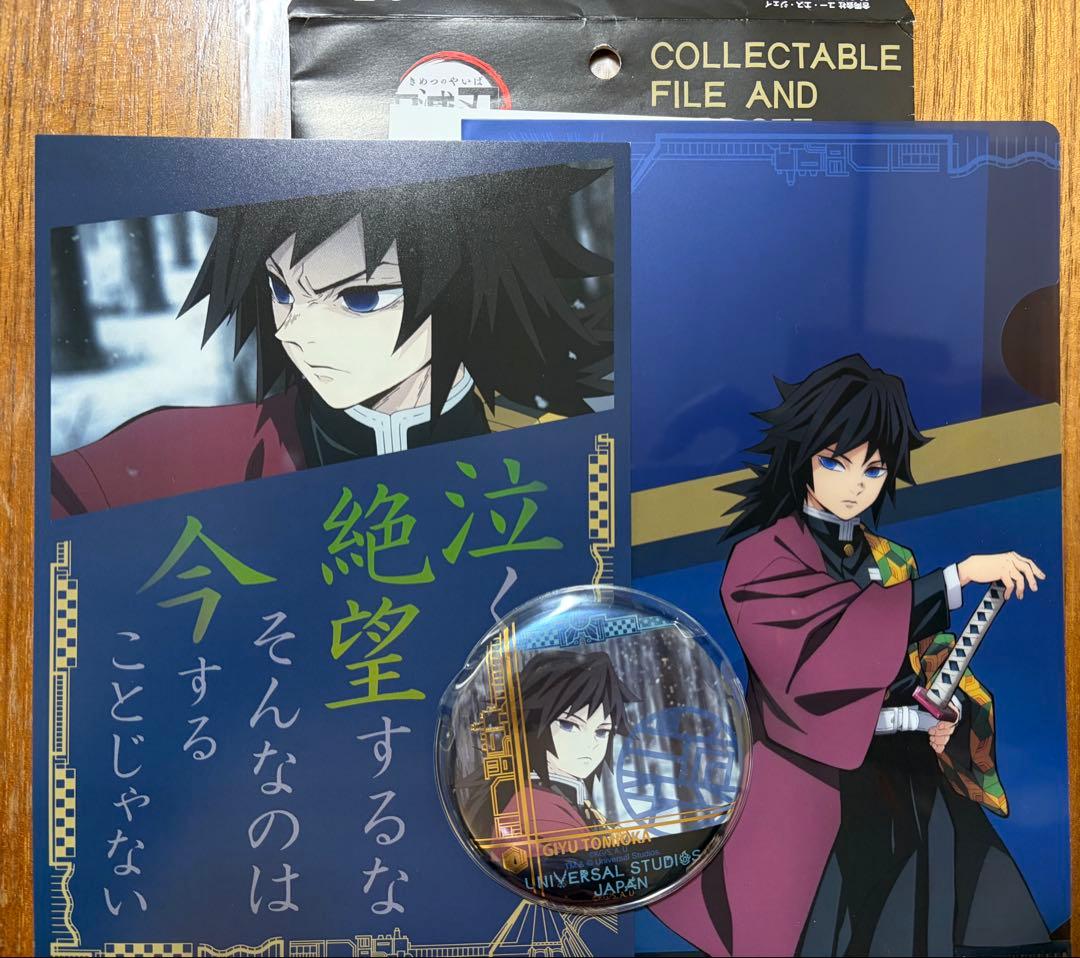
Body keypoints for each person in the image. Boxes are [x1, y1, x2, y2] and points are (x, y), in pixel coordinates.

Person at [650, 355, 1050, 957]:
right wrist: (957, 577)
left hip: (911, 790)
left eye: (874, 468)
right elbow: (817, 658)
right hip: (818, 798)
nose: (855, 485)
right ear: (804, 457)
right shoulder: (762, 559)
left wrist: (951, 716)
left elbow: (935, 662)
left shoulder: (895, 561)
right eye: (836, 462)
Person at [51, 164, 614, 517]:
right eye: (282, 290)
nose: (293, 331)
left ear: (469, 292)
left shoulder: (564, 458)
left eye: (359, 298)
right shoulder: (199, 455)